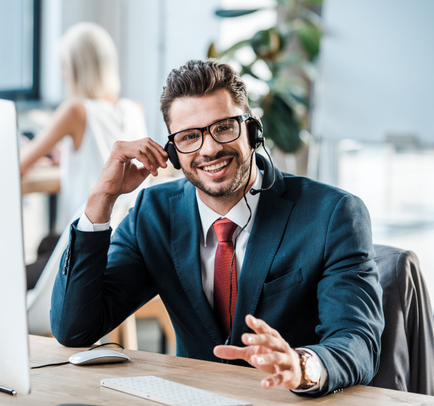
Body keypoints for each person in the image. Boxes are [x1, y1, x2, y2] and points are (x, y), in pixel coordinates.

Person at [50, 59, 384, 396]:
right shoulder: (153, 214)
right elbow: (74, 328)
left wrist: (302, 366)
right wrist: (100, 199)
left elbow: (358, 340)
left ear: (253, 130)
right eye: (189, 137)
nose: (209, 149)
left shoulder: (333, 215)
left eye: (224, 127)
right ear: (173, 152)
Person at [19, 22, 148, 226]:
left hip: (91, 237)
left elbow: (20, 164)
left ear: (74, 69)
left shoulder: (76, 111)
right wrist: (67, 157)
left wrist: (27, 150)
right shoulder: (135, 108)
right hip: (132, 238)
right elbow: (106, 156)